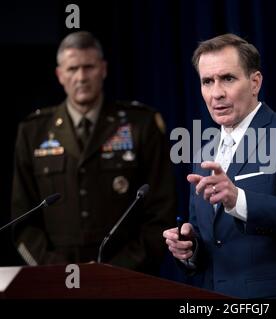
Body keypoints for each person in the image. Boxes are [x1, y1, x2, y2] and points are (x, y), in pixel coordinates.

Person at [163, 33, 276, 298]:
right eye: (207, 81)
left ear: (255, 82)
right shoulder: (204, 152)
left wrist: (238, 200)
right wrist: (190, 247)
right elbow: (212, 242)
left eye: (228, 78)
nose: (217, 93)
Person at [11, 31, 177, 275]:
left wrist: (115, 270)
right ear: (60, 75)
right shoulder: (33, 131)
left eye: (88, 67)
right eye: (72, 69)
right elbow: (23, 221)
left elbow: (161, 213)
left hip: (129, 277)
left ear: (103, 69)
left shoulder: (140, 125)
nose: (81, 77)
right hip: (56, 281)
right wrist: (62, 273)